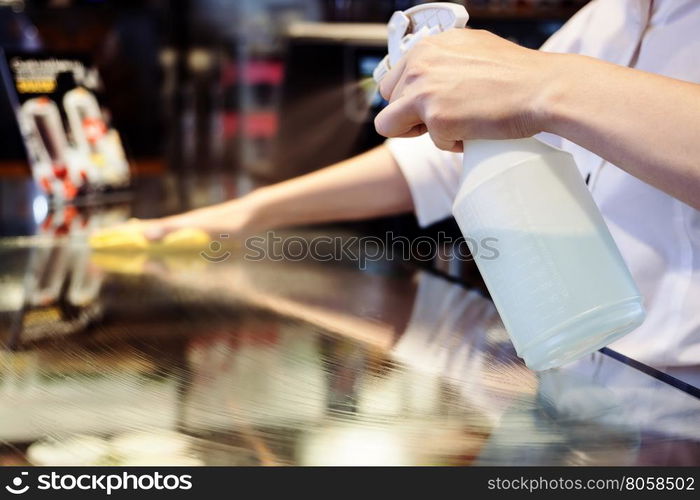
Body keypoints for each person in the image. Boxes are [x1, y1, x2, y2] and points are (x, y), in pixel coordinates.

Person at [140, 0, 699, 368]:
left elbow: (537, 93)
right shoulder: (610, 15)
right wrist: (250, 213)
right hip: (600, 371)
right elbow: (439, 164)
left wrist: (547, 85)